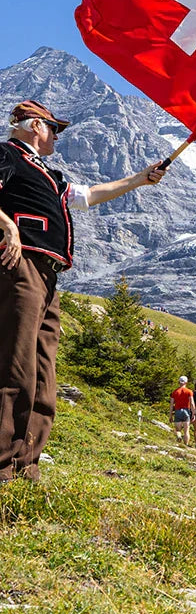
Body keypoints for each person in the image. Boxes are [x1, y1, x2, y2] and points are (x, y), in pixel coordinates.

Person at [0, 100, 165, 482]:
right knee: (16, 364)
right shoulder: (7, 154)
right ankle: (2, 465)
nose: (57, 136)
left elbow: (90, 195)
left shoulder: (49, 174)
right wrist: (7, 225)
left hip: (48, 276)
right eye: (54, 129)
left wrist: (141, 178)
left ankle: (27, 464)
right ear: (35, 126)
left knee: (43, 371)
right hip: (19, 267)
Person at [169, 376, 195, 445]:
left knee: (178, 430)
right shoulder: (189, 391)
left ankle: (179, 436)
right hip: (186, 411)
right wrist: (193, 413)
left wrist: (170, 415)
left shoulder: (174, 392)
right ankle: (186, 445)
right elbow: (192, 403)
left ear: (179, 382)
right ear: (186, 382)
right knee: (186, 431)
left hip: (177, 411)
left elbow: (171, 405)